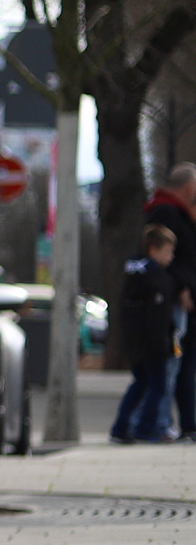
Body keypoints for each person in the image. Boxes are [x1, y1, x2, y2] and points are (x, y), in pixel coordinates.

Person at [110, 225, 180, 444]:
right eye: (168, 252)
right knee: (157, 385)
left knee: (140, 383)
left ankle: (121, 427)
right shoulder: (157, 280)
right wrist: (165, 345)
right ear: (153, 250)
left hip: (135, 341)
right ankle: (145, 428)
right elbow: (158, 317)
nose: (171, 257)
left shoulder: (134, 274)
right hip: (153, 344)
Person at [144, 164, 196, 436]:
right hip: (173, 298)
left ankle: (179, 422)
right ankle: (161, 424)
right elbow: (165, 257)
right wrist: (182, 287)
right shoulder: (166, 210)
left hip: (179, 294)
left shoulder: (177, 211)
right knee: (173, 363)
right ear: (188, 187)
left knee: (182, 364)